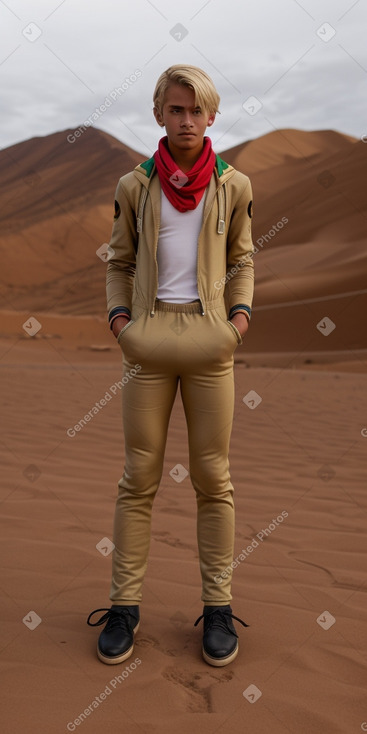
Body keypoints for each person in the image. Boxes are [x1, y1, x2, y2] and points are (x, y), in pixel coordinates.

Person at [87, 64, 254, 667]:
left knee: (215, 479)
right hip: (148, 345)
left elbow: (243, 259)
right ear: (159, 114)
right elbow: (118, 263)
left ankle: (217, 609)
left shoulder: (236, 185)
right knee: (138, 479)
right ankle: (124, 608)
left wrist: (237, 322)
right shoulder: (134, 185)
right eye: (175, 109)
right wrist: (120, 324)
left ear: (212, 116)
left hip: (211, 348)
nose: (186, 120)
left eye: (197, 110)